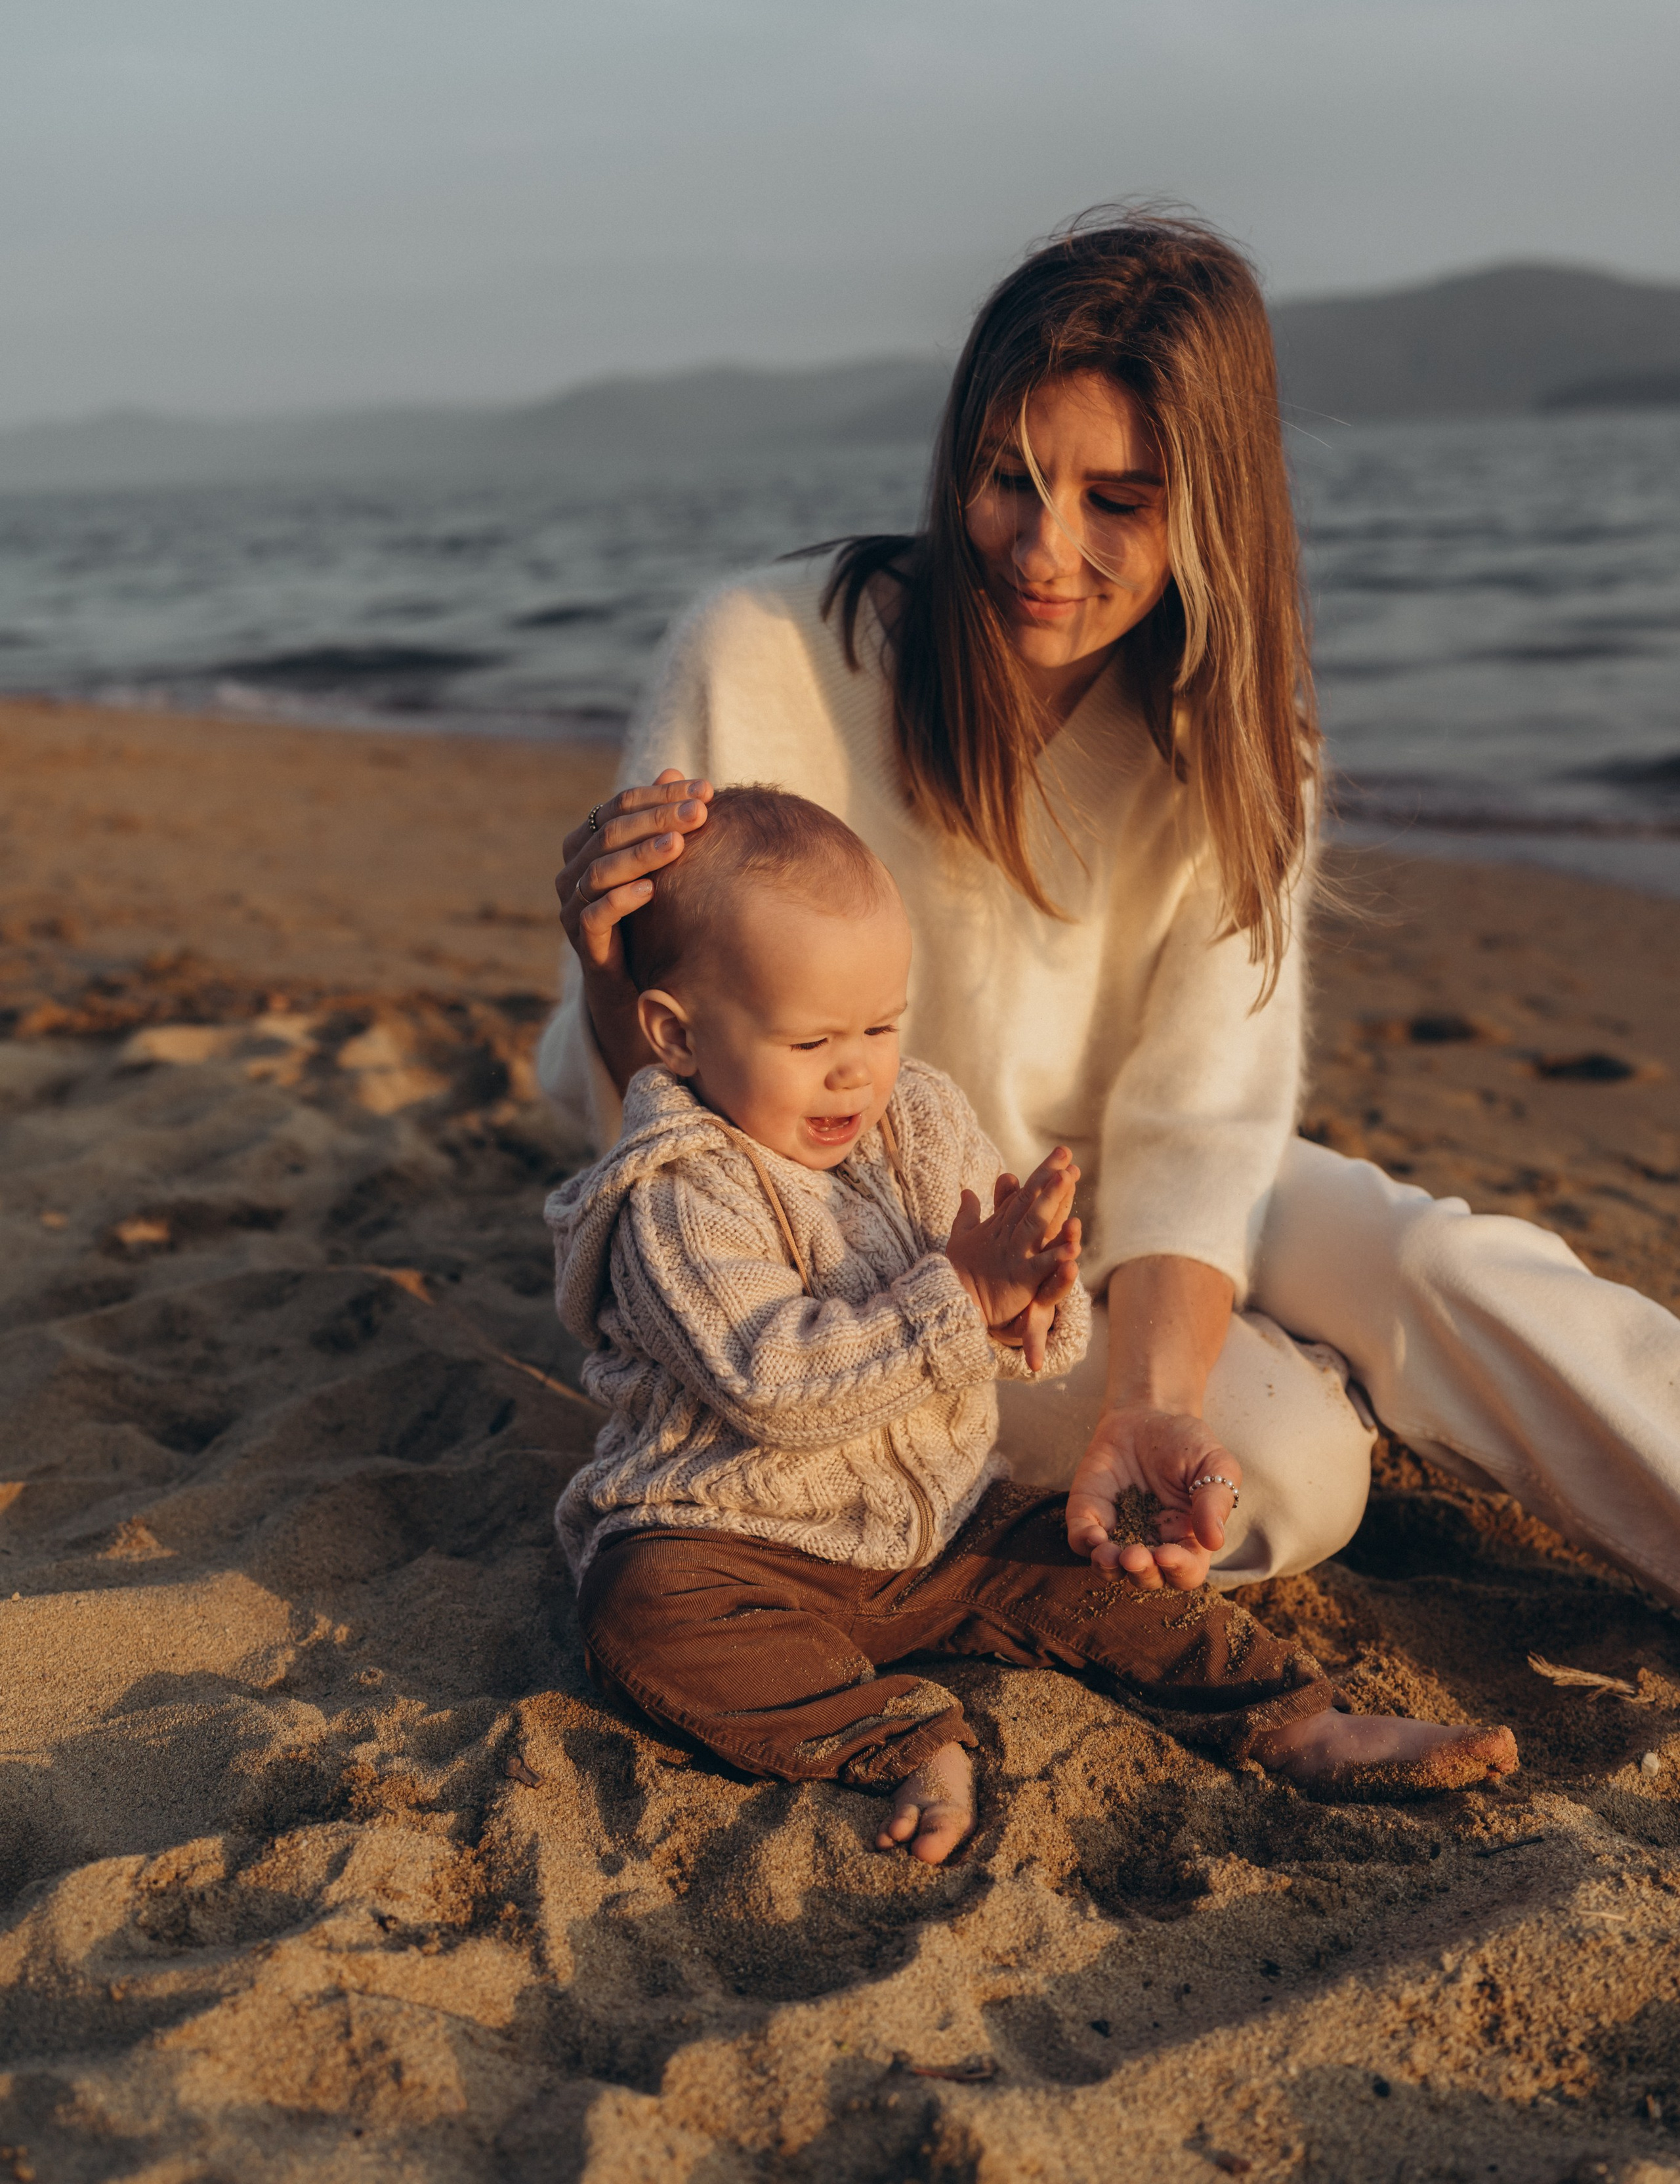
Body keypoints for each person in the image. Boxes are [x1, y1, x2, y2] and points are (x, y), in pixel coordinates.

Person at [542, 209, 1680, 1610]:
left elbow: (1202, 1124)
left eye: (1117, 503)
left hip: (1110, 1181)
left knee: (1443, 1262)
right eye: (1007, 479)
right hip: (845, 1240)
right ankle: (1289, 1392)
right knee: (1288, 1471)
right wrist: (604, 963)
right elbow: (646, 1109)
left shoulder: (1242, 743)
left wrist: (1150, 1382)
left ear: (1210, 508)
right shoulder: (764, 655)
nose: (1041, 549)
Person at [549, 784, 1518, 1862]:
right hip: (737, 1540)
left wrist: (1037, 1294)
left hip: (946, 1527)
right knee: (637, 1612)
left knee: (1105, 1571)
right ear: (676, 1036)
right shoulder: (676, 1190)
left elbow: (1034, 1350)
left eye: (881, 1024)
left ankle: (1296, 1717)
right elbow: (768, 1384)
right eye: (812, 1038)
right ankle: (896, 1734)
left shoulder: (915, 1113)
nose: (856, 1068)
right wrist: (960, 1298)